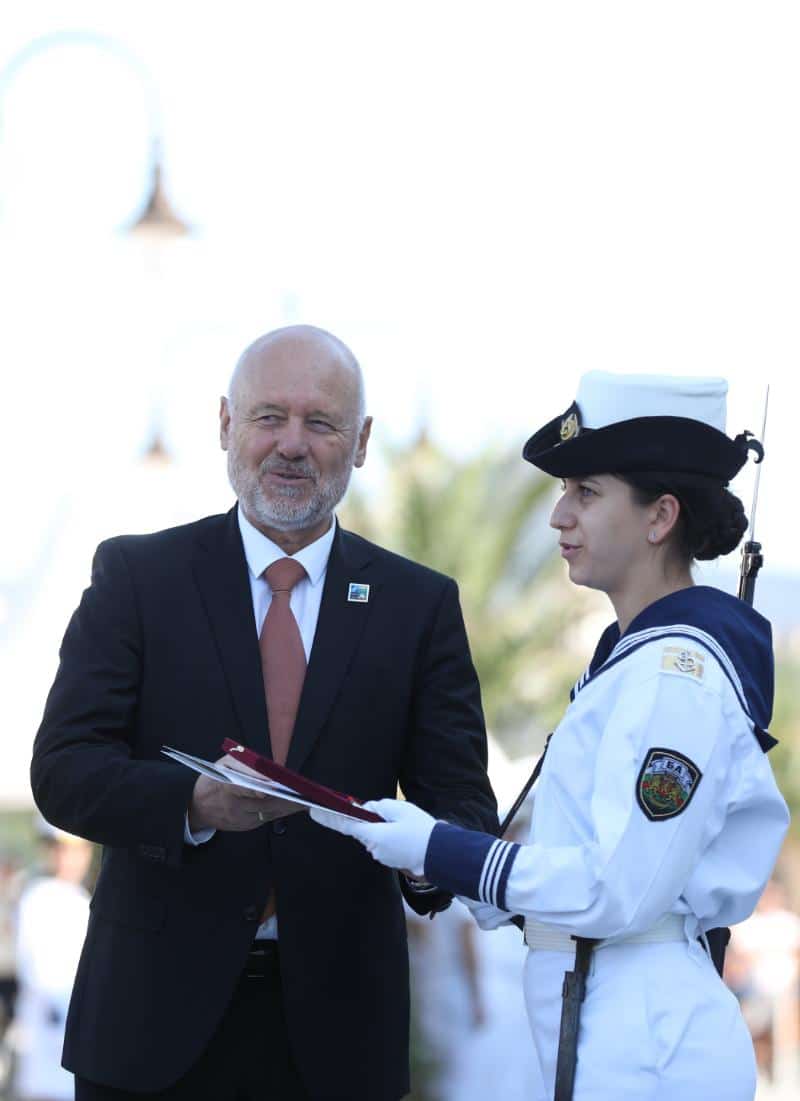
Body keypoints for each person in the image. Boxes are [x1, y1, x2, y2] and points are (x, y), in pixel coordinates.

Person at [30, 325, 497, 1101]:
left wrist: (423, 857)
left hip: (339, 1040)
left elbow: (462, 804)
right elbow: (63, 771)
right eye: (269, 416)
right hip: (148, 1032)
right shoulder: (138, 578)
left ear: (361, 442)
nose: (291, 444)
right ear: (225, 424)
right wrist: (193, 803)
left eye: (321, 423)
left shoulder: (418, 606)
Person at [311, 371, 791, 1101]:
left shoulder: (676, 676)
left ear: (660, 516)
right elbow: (570, 870)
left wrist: (441, 847)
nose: (559, 516)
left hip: (650, 1039)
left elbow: (617, 889)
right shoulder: (631, 663)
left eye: (586, 492)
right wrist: (434, 858)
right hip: (616, 1015)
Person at [12, 822, 92, 1101]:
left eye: (78, 851)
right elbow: (35, 970)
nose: (70, 859)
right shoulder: (37, 898)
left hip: (79, 1033)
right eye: (62, 850)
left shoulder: (84, 898)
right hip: (47, 1032)